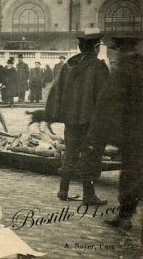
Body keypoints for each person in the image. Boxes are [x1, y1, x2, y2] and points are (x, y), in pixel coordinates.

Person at [44, 33, 109, 205]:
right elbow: (104, 97)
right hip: (90, 121)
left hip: (71, 120)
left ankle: (63, 190)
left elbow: (56, 91)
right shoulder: (99, 66)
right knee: (90, 155)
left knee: (70, 152)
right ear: (96, 48)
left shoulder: (69, 65)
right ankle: (89, 196)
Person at [89, 35, 143, 230]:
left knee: (131, 173)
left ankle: (125, 216)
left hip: (133, 133)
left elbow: (109, 101)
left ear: (120, 50)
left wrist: (103, 131)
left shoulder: (125, 70)